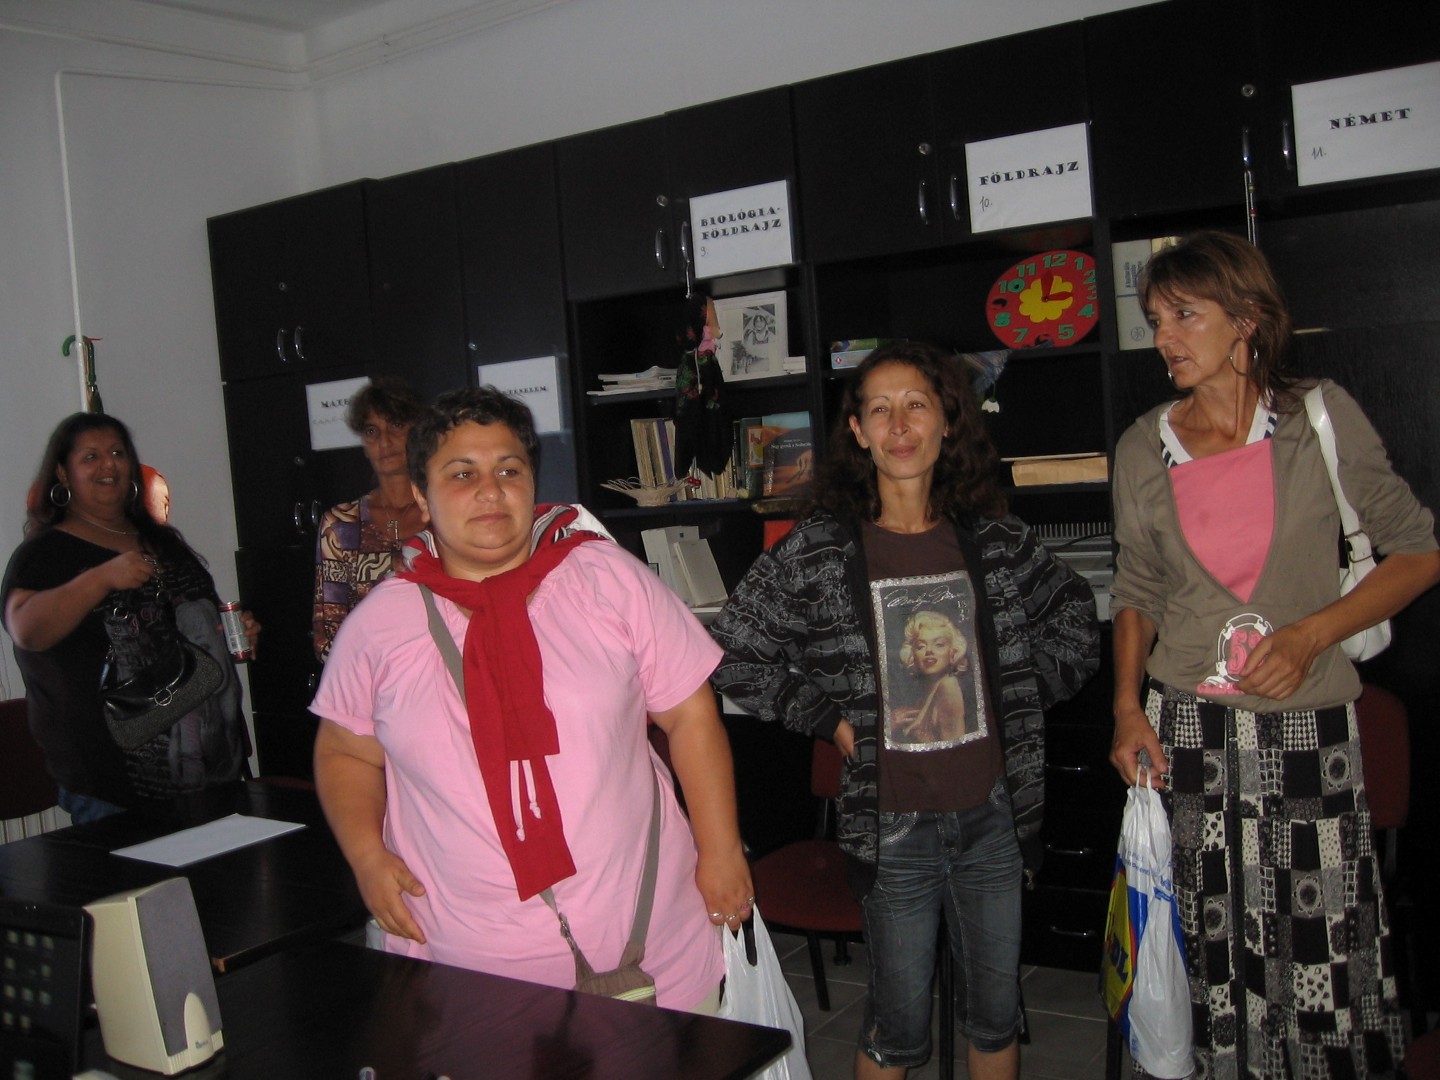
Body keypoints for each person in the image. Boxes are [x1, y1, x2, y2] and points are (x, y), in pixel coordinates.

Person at [710, 341, 1101, 1079]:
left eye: (916, 405)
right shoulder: (822, 548)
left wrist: (1016, 693)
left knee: (995, 1018)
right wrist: (827, 719)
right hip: (892, 829)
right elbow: (731, 650)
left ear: (946, 422)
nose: (899, 425)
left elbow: (1076, 621)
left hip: (993, 820)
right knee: (896, 1028)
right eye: (879, 410)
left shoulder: (995, 540)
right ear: (857, 431)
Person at [1108, 230, 1440, 1079]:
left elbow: (1417, 552)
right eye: (1155, 320)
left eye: (1185, 315)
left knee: (1321, 943)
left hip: (1306, 731)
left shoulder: (1318, 419)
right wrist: (1126, 706)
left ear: (1247, 318)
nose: (1164, 337)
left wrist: (1309, 634)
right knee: (1207, 939)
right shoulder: (1143, 444)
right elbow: (1137, 586)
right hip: (1190, 731)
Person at [310, 386, 753, 1010]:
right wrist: (365, 857)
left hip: (649, 937)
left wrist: (722, 851)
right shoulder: (382, 623)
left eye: (508, 470)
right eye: (461, 474)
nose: (490, 491)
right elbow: (344, 751)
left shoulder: (607, 579)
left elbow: (691, 716)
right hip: (469, 965)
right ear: (421, 496)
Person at [3, 413, 260, 823]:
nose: (109, 464)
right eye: (91, 456)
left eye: (118, 453)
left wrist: (233, 634)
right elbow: (26, 630)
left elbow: (194, 631)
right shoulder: (46, 553)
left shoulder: (164, 543)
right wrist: (101, 579)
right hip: (113, 782)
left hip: (213, 766)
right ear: (63, 474)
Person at [313, 377, 428, 661]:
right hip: (368, 676)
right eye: (372, 431)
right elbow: (327, 631)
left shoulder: (447, 514)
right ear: (363, 444)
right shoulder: (341, 524)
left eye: (396, 426)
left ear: (418, 433)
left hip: (445, 671)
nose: (384, 442)